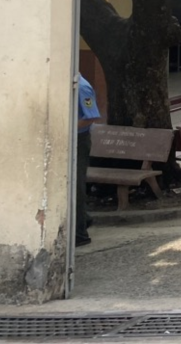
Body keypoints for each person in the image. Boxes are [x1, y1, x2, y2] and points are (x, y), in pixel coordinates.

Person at [76, 74, 102, 246]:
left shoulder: (82, 87)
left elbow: (90, 116)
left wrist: (68, 128)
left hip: (79, 139)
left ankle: (80, 234)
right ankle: (84, 219)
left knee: (76, 186)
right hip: (73, 138)